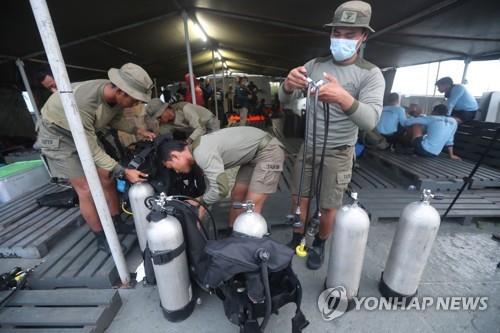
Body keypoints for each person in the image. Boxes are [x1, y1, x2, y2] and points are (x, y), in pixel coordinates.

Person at [279, 0, 385, 270]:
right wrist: (288, 85)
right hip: (308, 146)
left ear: (363, 37)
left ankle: (319, 244)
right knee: (298, 199)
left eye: (349, 35)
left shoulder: (371, 74)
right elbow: (283, 99)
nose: (341, 39)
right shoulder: (314, 65)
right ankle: (297, 237)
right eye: (337, 33)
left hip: (339, 152)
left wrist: (344, 98)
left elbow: (370, 120)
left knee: (327, 207)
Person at [36, 63, 156, 252]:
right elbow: (92, 150)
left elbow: (113, 118)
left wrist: (138, 130)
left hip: (83, 132)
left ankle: (116, 222)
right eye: (134, 100)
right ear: (122, 92)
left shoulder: (114, 96)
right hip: (58, 135)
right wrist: (124, 172)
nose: (136, 105)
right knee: (86, 190)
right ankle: (101, 237)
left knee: (107, 178)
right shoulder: (83, 102)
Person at [159, 127, 285, 226]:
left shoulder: (202, 154)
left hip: (269, 151)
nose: (176, 171)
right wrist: (203, 205)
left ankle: (248, 244)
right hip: (253, 156)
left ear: (175, 156)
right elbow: (212, 186)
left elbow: (221, 189)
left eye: (172, 166)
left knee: (250, 204)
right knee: (237, 195)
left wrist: (199, 201)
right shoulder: (197, 151)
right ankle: (233, 234)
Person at [145, 97, 220, 143]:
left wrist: (188, 141)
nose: (158, 120)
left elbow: (201, 128)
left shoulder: (185, 108)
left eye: (159, 117)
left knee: (213, 144)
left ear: (165, 109)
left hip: (209, 123)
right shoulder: (165, 123)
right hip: (192, 130)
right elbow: (163, 135)